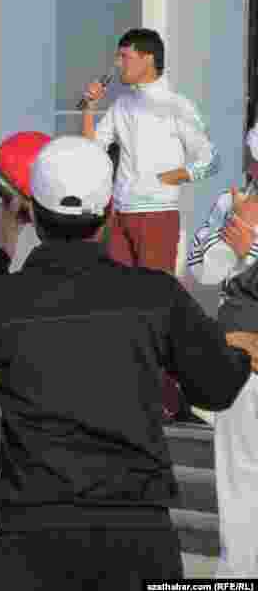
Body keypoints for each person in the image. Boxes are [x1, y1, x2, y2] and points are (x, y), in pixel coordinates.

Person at [0, 135, 254, 591]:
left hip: (31, 535)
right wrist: (237, 348)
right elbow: (218, 387)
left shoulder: (0, 300)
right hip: (137, 537)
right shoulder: (156, 297)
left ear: (32, 215)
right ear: (110, 211)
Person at [81, 27, 220, 423]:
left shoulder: (176, 105)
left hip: (157, 215)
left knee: (155, 307)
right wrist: (90, 108)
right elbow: (93, 150)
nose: (118, 63)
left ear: (147, 59)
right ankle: (129, 394)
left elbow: (208, 160)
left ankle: (166, 399)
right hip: (120, 215)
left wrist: (169, 179)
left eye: (124, 56)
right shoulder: (122, 104)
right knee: (117, 305)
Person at [186, 170, 258, 577]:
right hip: (239, 358)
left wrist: (249, 251)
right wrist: (222, 224)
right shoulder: (230, 205)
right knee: (237, 481)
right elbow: (202, 269)